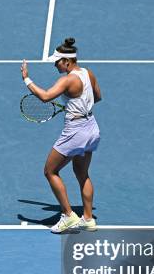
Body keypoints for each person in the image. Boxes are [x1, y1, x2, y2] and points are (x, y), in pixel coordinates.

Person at [21, 37, 101, 233]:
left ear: (67, 61)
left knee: (50, 171)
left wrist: (26, 79)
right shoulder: (87, 73)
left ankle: (68, 215)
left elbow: (45, 96)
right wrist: (77, 106)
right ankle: (88, 219)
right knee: (82, 174)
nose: (55, 65)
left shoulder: (67, 80)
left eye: (57, 62)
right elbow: (97, 97)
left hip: (75, 132)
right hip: (92, 128)